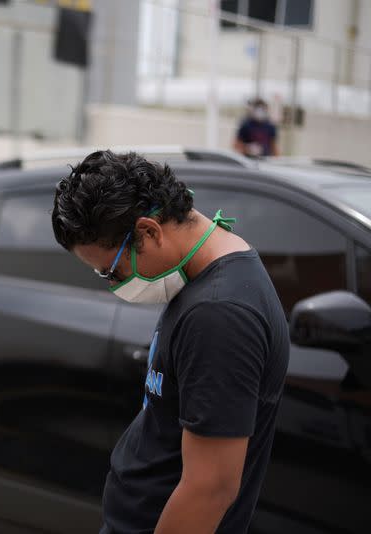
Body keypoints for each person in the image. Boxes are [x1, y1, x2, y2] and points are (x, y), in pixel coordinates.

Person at [52, 150, 289, 534]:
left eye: (110, 272)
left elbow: (210, 487)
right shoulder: (206, 276)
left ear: (148, 231)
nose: (115, 285)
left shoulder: (219, 315)